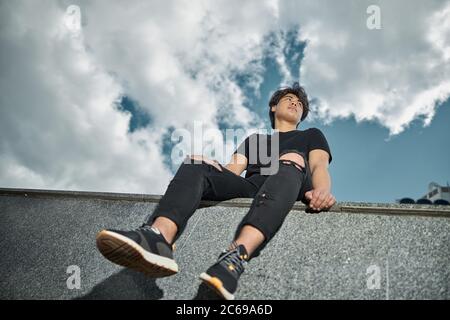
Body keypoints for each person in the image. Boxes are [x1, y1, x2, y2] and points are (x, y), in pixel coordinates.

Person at [96, 82, 335, 300]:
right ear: (274, 107)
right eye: (290, 99)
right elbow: (232, 171)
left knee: (292, 158)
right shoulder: (255, 141)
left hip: (292, 181)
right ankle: (158, 238)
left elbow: (318, 166)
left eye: (300, 103)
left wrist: (322, 191)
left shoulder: (310, 135)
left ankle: (235, 256)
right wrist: (207, 166)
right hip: (253, 188)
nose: (295, 103)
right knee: (195, 162)